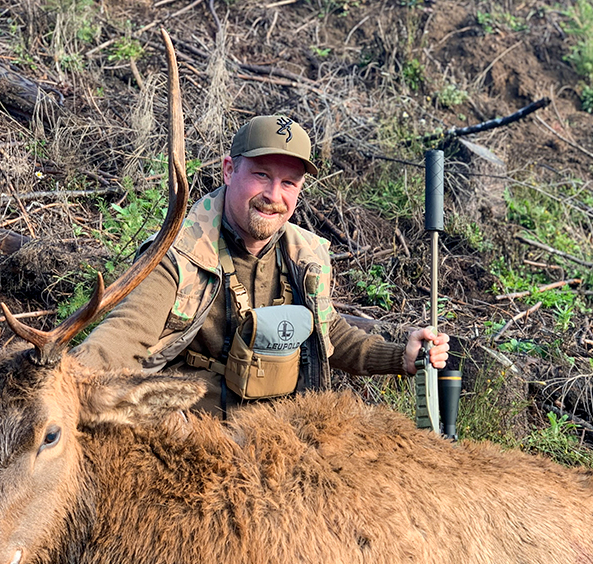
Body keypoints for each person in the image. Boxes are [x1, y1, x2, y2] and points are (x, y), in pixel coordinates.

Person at [73, 114, 450, 416]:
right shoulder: (178, 254)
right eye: (261, 175)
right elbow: (123, 334)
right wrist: (71, 381)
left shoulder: (305, 255)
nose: (274, 196)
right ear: (227, 171)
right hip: (192, 434)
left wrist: (399, 356)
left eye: (289, 183)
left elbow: (328, 331)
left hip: (279, 435)